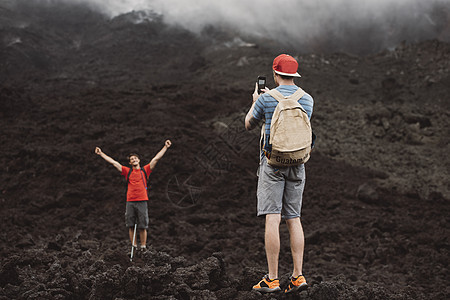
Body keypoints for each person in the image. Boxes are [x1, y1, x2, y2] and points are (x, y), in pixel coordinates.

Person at [244, 54, 314, 294]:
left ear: (275, 74)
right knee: (294, 217)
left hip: (272, 163)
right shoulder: (307, 100)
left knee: (272, 217)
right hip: (298, 163)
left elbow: (248, 124)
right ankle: (297, 276)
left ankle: (272, 278)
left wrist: (256, 102)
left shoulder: (266, 99)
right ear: (295, 75)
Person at [94, 140, 172, 252]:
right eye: (132, 159)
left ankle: (143, 247)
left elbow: (156, 159)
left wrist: (165, 147)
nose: (134, 160)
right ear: (130, 163)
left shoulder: (145, 171)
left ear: (139, 160)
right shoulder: (128, 172)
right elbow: (114, 163)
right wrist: (101, 153)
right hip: (130, 201)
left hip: (142, 201)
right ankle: (134, 246)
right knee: (130, 224)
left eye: (135, 158)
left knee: (143, 225)